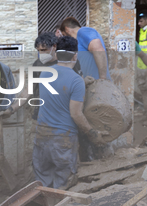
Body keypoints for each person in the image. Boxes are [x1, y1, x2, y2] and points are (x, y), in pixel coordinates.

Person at [32, 36, 108, 189]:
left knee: (43, 180)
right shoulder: (76, 80)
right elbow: (76, 114)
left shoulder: (45, 73)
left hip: (42, 135)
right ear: (75, 55)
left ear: (56, 53)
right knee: (63, 183)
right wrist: (92, 133)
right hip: (63, 139)